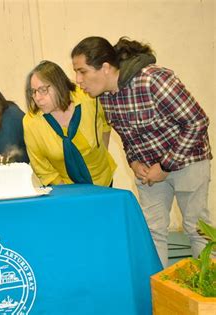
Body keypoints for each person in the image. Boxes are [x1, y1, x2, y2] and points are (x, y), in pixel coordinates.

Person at [71, 36, 212, 267]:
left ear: (105, 68)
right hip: (149, 172)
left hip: (188, 161)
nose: (78, 80)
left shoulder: (153, 80)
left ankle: (210, 294)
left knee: (197, 228)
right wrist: (134, 162)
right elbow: (127, 137)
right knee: (153, 230)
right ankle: (159, 294)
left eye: (82, 71)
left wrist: (166, 166)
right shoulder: (106, 96)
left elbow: (197, 122)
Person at [23, 60, 116, 186]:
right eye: (33, 92)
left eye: (43, 90)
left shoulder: (88, 98)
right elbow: (42, 168)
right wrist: (69, 194)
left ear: (59, 85)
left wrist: (102, 149)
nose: (37, 98)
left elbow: (105, 123)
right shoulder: (31, 122)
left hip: (102, 180)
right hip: (66, 188)